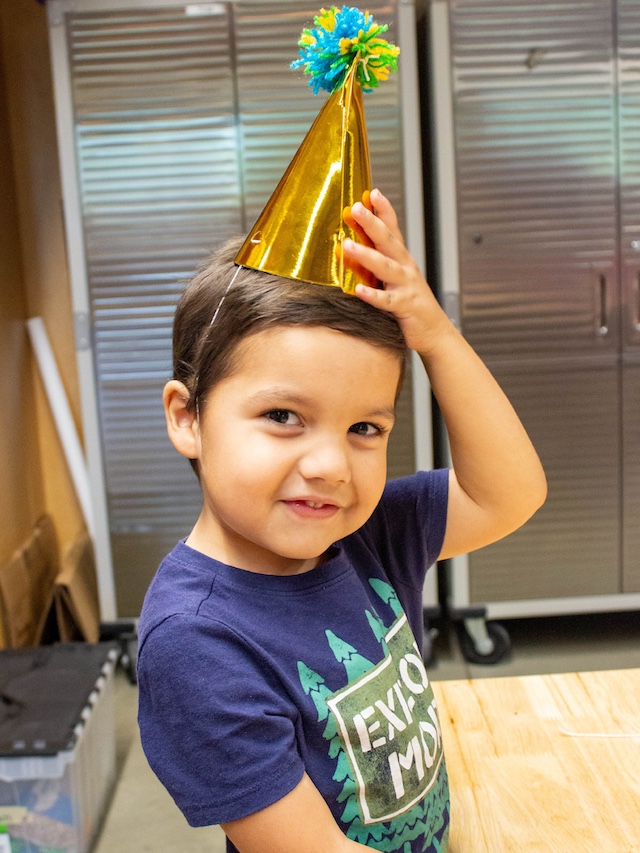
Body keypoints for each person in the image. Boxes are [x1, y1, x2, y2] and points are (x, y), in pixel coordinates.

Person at [137, 188, 547, 853]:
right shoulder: (196, 641)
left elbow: (512, 493)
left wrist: (434, 334)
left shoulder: (368, 533)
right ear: (187, 417)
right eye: (282, 416)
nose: (331, 465)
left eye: (364, 426)